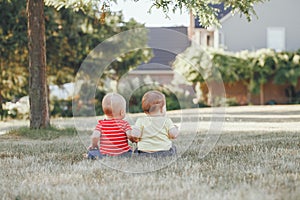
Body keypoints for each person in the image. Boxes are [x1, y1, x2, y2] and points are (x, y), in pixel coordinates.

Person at [87, 93, 136, 159]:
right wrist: (134, 140)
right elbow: (130, 136)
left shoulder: (101, 124)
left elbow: (94, 137)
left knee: (92, 152)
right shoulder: (124, 124)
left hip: (105, 154)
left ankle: (90, 155)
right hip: (123, 154)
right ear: (122, 112)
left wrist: (94, 145)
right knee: (130, 150)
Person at [132, 90, 179, 157]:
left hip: (144, 153)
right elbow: (173, 135)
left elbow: (135, 135)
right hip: (164, 152)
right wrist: (175, 128)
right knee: (173, 148)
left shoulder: (140, 120)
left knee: (137, 149)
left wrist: (135, 135)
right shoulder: (166, 120)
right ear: (162, 109)